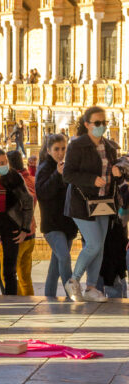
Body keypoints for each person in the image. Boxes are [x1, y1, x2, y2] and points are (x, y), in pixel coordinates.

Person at [63, 106, 122, 302]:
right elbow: (68, 174)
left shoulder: (109, 146)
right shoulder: (77, 145)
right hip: (82, 203)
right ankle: (74, 280)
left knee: (100, 245)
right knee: (94, 243)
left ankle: (91, 288)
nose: (101, 127)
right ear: (87, 125)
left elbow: (118, 167)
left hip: (104, 201)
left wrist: (118, 171)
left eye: (104, 123)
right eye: (97, 123)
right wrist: (91, 179)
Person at [0, 147, 33, 296]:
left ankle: (11, 300)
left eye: (6, 162)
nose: (6, 165)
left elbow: (28, 200)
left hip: (10, 225)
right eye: (1, 162)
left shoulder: (13, 177)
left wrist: (25, 228)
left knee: (9, 270)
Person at [35, 133, 78, 298]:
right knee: (64, 257)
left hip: (66, 223)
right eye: (56, 149)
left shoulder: (67, 166)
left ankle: (49, 296)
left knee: (55, 266)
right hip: (52, 224)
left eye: (63, 149)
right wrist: (57, 175)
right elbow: (42, 192)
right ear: (48, 150)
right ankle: (71, 293)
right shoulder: (45, 168)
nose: (60, 153)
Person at [7, 149, 36, 296]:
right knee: (25, 276)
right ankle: (29, 302)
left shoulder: (14, 182)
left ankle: (17, 302)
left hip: (17, 234)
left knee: (8, 274)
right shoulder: (31, 179)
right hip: (31, 232)